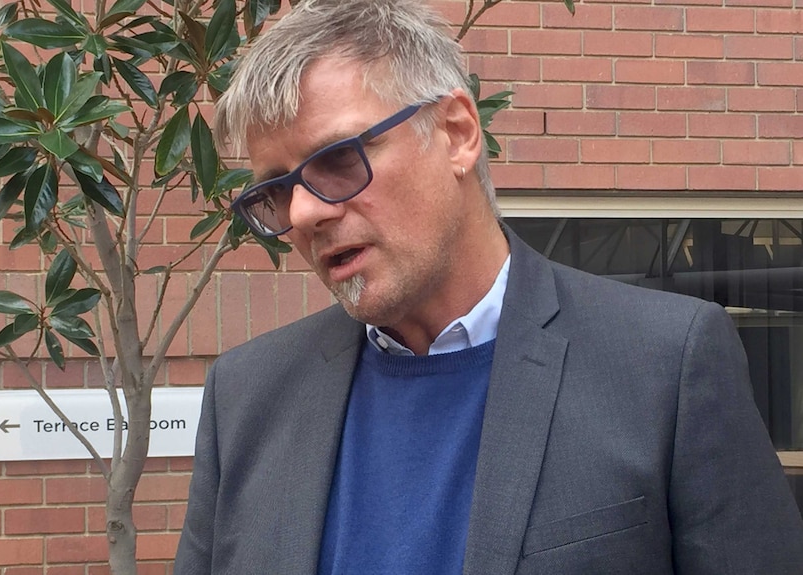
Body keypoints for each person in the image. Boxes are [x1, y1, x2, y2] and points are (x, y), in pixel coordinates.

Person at [174, 0, 803, 572]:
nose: (305, 214)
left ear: (457, 133)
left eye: (339, 159)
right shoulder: (247, 397)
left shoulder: (666, 363)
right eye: (277, 190)